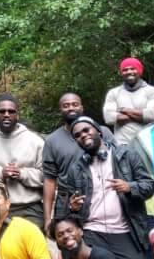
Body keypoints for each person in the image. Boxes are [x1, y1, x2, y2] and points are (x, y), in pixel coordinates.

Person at [56, 116, 154, 259]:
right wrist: (73, 206)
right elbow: (69, 207)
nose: (83, 136)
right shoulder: (75, 168)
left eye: (86, 130)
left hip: (124, 230)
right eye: (77, 135)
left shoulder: (126, 155)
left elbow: (149, 185)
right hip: (93, 231)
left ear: (99, 131)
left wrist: (129, 187)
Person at [42, 92, 114, 238]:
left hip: (102, 197)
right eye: (66, 106)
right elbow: (49, 180)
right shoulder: (52, 141)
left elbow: (119, 161)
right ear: (60, 110)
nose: (70, 108)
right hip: (67, 199)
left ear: (82, 107)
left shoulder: (102, 131)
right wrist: (47, 218)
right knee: (69, 247)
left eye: (75, 104)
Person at [0, 94, 46, 231]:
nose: (6, 115)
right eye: (2, 111)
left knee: (33, 250)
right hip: (0, 210)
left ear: (17, 115)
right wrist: (0, 173)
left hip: (31, 208)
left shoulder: (35, 141)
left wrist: (22, 174)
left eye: (11, 111)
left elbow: (46, 177)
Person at [103, 56, 154, 148]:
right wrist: (141, 115)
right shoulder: (113, 93)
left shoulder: (153, 91)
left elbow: (152, 115)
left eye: (133, 68)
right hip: (121, 144)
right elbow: (109, 118)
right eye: (125, 70)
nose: (129, 72)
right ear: (121, 73)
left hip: (147, 143)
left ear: (139, 70)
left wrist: (123, 110)